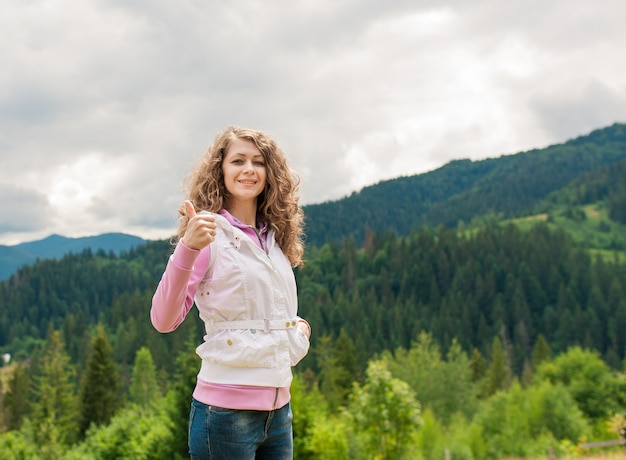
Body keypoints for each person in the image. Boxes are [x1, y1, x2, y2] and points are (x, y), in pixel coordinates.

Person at [151, 126, 311, 460]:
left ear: (270, 173)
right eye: (238, 160)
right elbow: (163, 320)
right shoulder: (209, 236)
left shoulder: (272, 239)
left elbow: (273, 313)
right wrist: (187, 248)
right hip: (225, 415)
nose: (249, 169)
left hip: (280, 413)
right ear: (220, 170)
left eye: (258, 161)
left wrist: (299, 330)